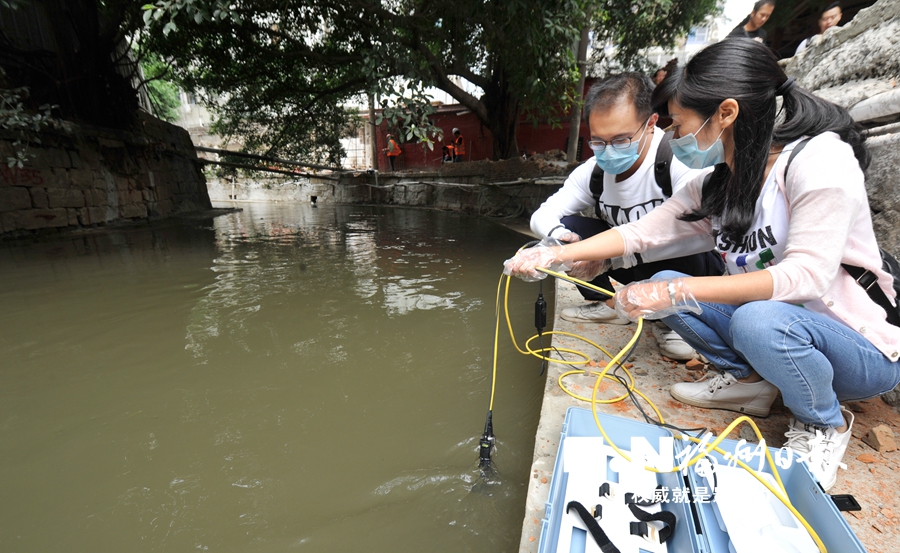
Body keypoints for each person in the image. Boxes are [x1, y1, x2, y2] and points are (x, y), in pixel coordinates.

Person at [505, 39, 900, 491]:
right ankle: (751, 381)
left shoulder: (819, 160)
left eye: (678, 124)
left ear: (726, 113)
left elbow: (806, 277)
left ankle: (822, 423)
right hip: (777, 332)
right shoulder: (716, 185)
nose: (674, 137)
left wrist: (677, 292)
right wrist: (553, 253)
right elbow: (642, 233)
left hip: (862, 349)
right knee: (666, 279)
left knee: (745, 314)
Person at [528, 73, 725, 361]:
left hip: (681, 263)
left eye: (620, 140)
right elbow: (542, 215)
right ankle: (609, 305)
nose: (607, 151)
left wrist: (615, 257)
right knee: (570, 230)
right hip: (628, 261)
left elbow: (704, 232)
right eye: (598, 141)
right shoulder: (593, 171)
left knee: (673, 237)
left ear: (650, 124)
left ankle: (672, 322)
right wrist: (563, 241)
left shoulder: (679, 160)